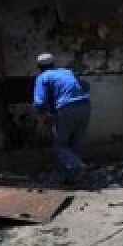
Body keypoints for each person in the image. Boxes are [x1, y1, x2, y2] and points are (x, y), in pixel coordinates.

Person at [33, 53, 91, 183]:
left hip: (66, 109)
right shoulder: (67, 71)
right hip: (85, 106)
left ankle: (77, 165)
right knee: (75, 144)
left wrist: (41, 120)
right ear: (54, 63)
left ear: (39, 67)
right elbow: (86, 86)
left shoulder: (43, 77)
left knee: (60, 146)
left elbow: (39, 102)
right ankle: (71, 178)